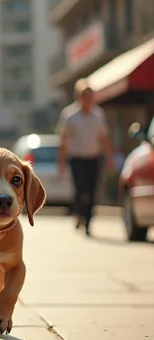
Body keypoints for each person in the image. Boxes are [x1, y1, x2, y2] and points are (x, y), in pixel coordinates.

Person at [57, 78, 114, 236]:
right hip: (77, 159)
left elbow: (104, 138)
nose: (87, 99)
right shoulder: (70, 116)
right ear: (78, 96)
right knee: (81, 190)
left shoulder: (98, 115)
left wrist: (109, 157)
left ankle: (87, 220)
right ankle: (79, 214)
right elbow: (63, 140)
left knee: (91, 191)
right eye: (84, 95)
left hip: (93, 158)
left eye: (90, 95)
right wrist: (60, 162)